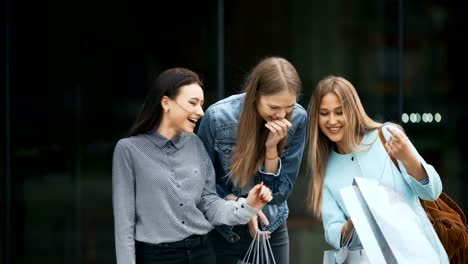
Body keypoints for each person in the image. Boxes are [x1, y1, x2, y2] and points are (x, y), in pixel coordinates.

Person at [112, 67, 273, 264]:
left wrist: (248, 205)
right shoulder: (128, 151)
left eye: (202, 104)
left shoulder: (195, 144)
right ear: (166, 102)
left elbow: (210, 204)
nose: (200, 111)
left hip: (202, 253)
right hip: (156, 257)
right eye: (193, 103)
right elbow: (124, 226)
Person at [306, 75, 449, 261]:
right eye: (324, 113)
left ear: (352, 111)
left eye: (339, 112)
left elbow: (432, 192)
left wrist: (409, 158)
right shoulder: (325, 167)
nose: (332, 120)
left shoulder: (386, 135)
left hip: (418, 255)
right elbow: (332, 231)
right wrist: (352, 223)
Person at [197, 57, 307, 264]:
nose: (282, 115)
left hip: (271, 228)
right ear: (255, 95)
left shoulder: (298, 118)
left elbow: (279, 194)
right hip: (224, 230)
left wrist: (271, 150)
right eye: (273, 107)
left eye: (289, 107)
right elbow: (203, 186)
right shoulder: (217, 117)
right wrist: (243, 207)